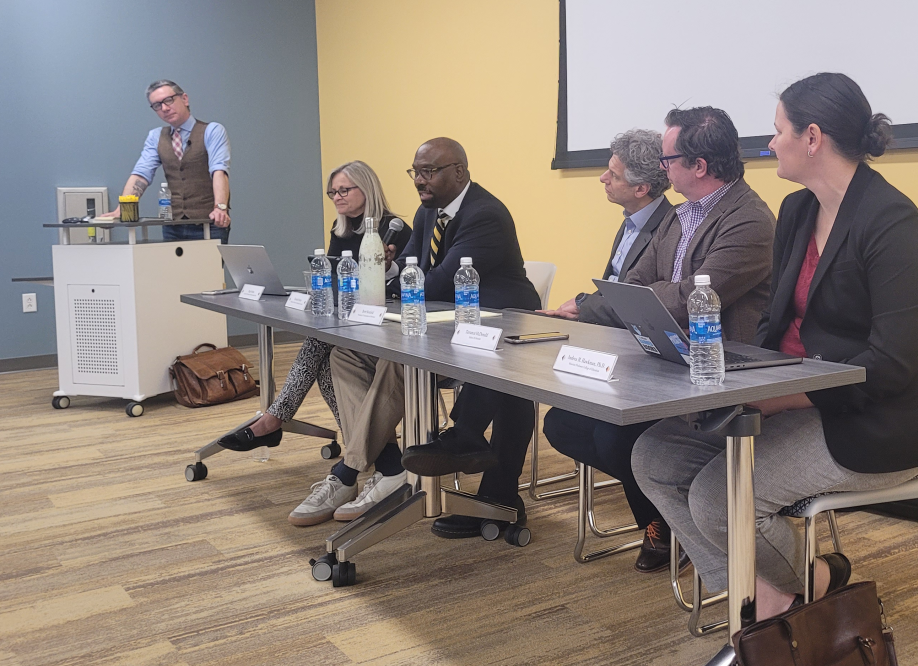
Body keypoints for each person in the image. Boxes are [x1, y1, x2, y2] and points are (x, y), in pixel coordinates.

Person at [632, 73, 918, 620]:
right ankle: (766, 597)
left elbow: (890, 369)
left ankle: (800, 586)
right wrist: (742, 377)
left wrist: (772, 398)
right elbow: (771, 326)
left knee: (716, 499)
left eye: (777, 131)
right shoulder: (797, 211)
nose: (769, 144)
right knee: (656, 456)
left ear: (812, 138)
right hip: (792, 394)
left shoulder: (893, 224)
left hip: (876, 420)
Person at [545, 111, 777, 572]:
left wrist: (646, 300)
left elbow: (696, 296)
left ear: (699, 165)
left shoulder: (749, 220)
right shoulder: (680, 216)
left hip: (719, 378)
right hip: (666, 363)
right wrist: (644, 300)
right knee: (564, 424)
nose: (662, 170)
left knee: (616, 436)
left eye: (669, 159)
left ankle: (669, 525)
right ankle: (669, 518)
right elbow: (634, 284)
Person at [296, 138, 542, 534]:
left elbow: (439, 283)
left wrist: (402, 285)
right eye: (415, 172)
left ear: (458, 172)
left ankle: (348, 470)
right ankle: (391, 465)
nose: (419, 181)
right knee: (345, 354)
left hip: (497, 326)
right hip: (445, 325)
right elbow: (412, 272)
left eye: (429, 171)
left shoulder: (485, 214)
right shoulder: (428, 213)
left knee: (398, 357)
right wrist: (388, 272)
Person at [216, 161, 411, 526]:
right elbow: (340, 282)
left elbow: (399, 291)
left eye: (344, 191)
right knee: (326, 355)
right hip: (351, 326)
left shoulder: (393, 230)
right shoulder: (342, 230)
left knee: (321, 344)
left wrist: (386, 269)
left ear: (366, 190)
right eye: (332, 193)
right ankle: (387, 465)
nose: (336, 198)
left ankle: (340, 465)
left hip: (387, 330)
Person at [540, 129, 672, 322]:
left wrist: (584, 306)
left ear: (641, 189)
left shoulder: (669, 229)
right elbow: (612, 288)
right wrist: (581, 307)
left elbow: (636, 304)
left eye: (614, 175)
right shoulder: (631, 219)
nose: (603, 178)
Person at [103, 80, 232, 243]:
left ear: (184, 99)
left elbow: (219, 171)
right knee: (172, 268)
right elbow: (141, 175)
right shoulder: (156, 136)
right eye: (157, 105)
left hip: (210, 223)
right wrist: (122, 209)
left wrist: (220, 207)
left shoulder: (212, 130)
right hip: (173, 224)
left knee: (208, 269)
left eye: (168, 100)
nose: (164, 108)